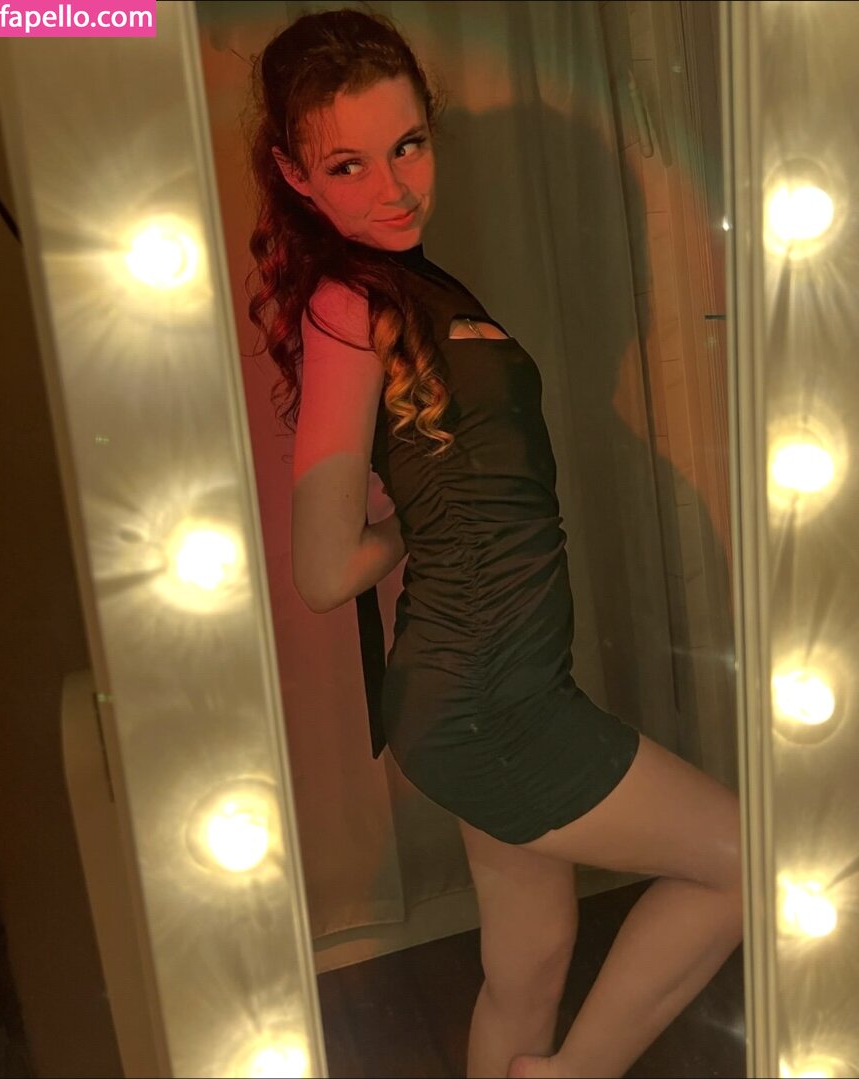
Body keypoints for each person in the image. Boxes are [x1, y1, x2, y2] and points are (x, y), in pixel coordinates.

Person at [247, 8, 743, 1078]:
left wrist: (433, 517)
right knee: (746, 861)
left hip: (492, 686)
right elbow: (323, 570)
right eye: (346, 164)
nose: (391, 188)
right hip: (488, 702)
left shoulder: (417, 286)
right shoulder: (345, 306)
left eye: (408, 146)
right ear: (294, 175)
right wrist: (415, 525)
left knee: (530, 965)